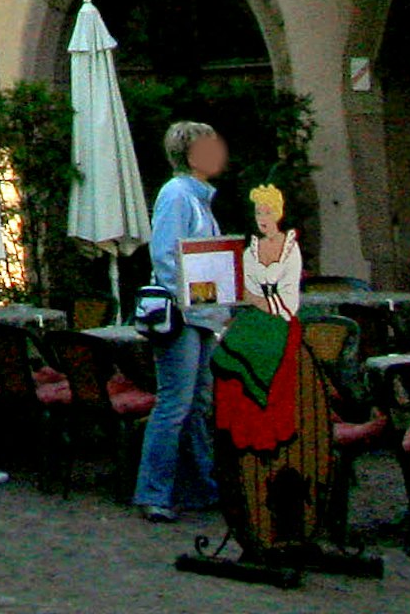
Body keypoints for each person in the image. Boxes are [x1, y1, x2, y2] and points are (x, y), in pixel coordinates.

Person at [137, 117, 230, 524]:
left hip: (202, 314)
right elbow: (165, 255)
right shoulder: (177, 195)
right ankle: (154, 491)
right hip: (184, 313)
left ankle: (199, 486)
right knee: (175, 403)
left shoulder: (199, 198)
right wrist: (193, 299)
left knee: (198, 402)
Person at [240, 180, 302, 320]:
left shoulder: (291, 248)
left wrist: (257, 300)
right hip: (255, 318)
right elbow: (247, 291)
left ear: (277, 213)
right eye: (258, 213)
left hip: (284, 318)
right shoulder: (250, 253)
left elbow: (290, 295)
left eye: (267, 213)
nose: (262, 219)